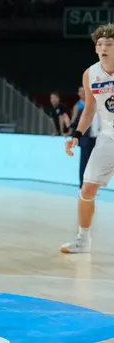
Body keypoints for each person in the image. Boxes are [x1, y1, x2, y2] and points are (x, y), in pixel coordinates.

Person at [62, 24, 114, 254]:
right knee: (87, 190)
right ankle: (83, 240)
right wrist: (76, 135)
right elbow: (89, 109)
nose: (103, 48)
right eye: (100, 44)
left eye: (109, 44)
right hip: (108, 139)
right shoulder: (90, 74)